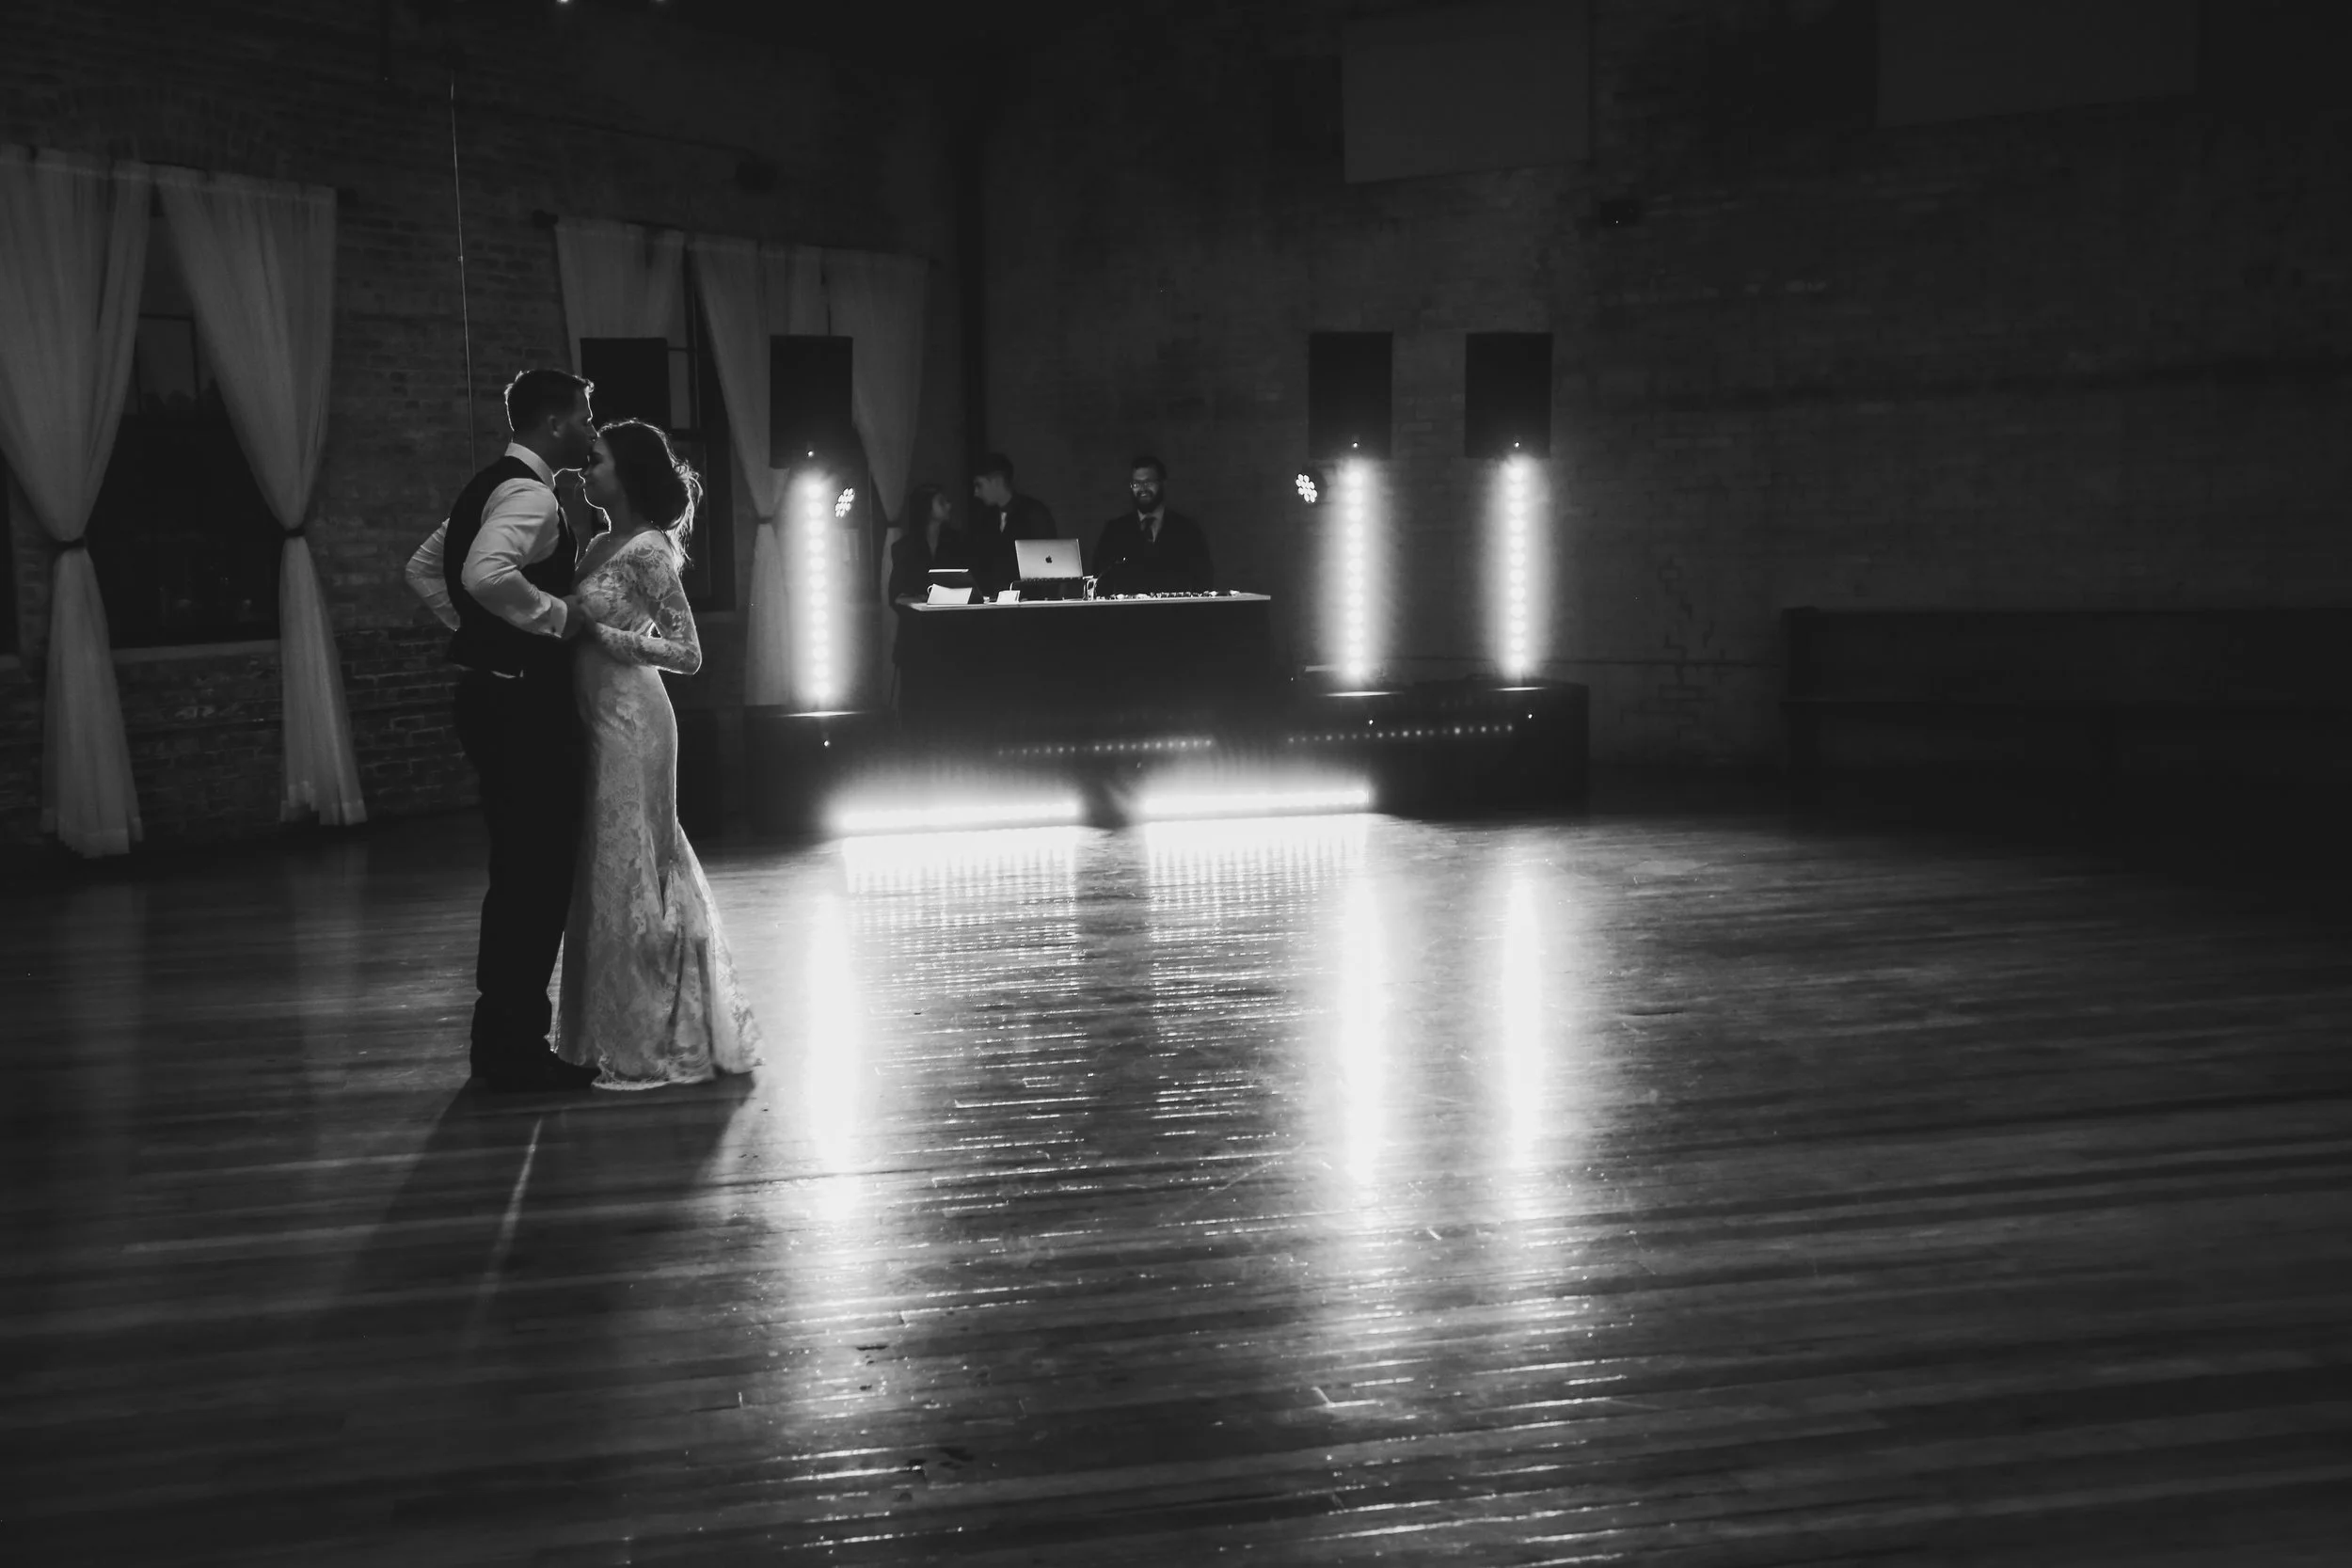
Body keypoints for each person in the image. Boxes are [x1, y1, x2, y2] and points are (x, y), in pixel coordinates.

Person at [404, 368, 600, 1093]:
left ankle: (502, 1042)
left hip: (490, 698)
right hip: (523, 710)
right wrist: (558, 618)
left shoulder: (489, 485)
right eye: (584, 417)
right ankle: (514, 1048)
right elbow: (485, 574)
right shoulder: (530, 494)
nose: (591, 430)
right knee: (536, 876)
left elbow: (424, 569)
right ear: (554, 423)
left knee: (518, 871)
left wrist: (482, 634)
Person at [553, 420, 762, 1088]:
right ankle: (595, 1032)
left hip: (632, 720)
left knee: (631, 865)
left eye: (599, 461)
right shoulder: (595, 542)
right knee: (600, 867)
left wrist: (613, 638)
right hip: (591, 716)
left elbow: (690, 652)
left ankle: (650, 1030)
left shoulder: (647, 551)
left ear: (631, 472)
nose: (587, 471)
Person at [1093, 453, 1213, 595]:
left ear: (1163, 483)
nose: (1143, 489)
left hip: (1177, 614)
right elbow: (1099, 581)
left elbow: (1204, 580)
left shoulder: (1187, 530)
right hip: (1126, 615)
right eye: (1136, 484)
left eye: (1149, 482)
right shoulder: (1114, 532)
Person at [967, 451, 1056, 594]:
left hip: (1029, 604)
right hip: (993, 604)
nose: (976, 493)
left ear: (997, 481)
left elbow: (1049, 564)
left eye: (980, 485)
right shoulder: (985, 518)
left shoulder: (1035, 513)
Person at [882, 483, 970, 604]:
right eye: (941, 502)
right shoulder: (904, 547)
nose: (949, 506)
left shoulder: (957, 541)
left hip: (951, 615)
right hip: (917, 617)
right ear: (926, 506)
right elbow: (896, 595)